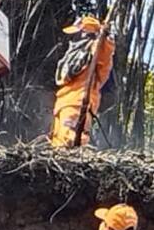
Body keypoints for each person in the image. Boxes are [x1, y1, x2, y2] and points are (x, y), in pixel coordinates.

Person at [49, 15, 115, 148]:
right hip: (63, 105)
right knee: (57, 142)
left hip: (78, 105)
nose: (73, 39)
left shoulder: (95, 52)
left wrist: (103, 37)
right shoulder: (74, 57)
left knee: (70, 141)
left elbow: (104, 53)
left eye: (77, 34)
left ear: (86, 36)